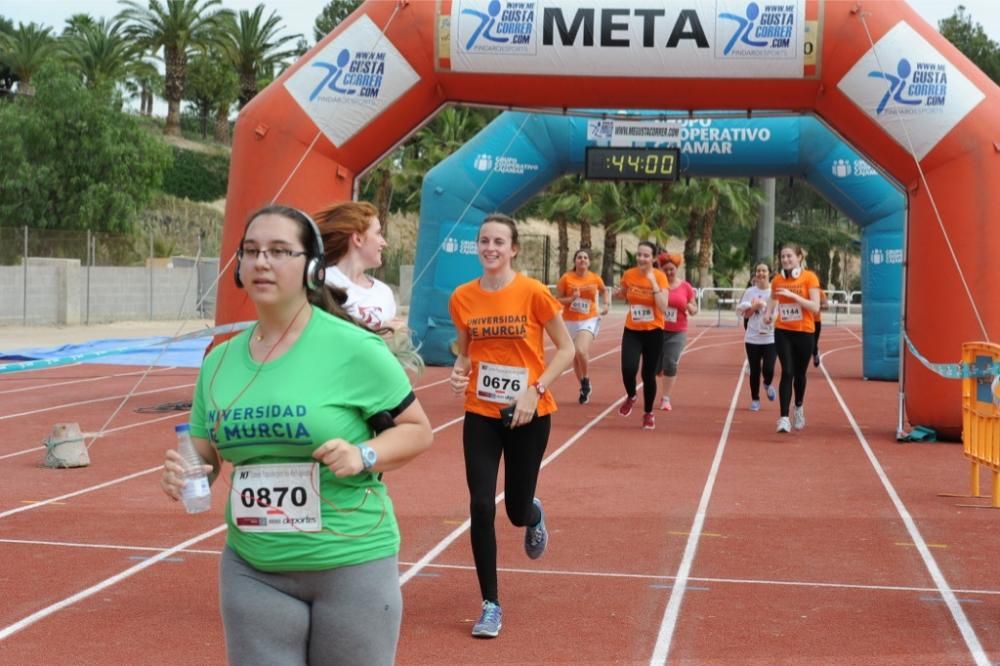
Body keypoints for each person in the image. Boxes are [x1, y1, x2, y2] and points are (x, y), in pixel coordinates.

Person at [160, 204, 433, 665]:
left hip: (350, 561)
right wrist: (188, 472)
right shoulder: (218, 362)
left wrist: (362, 454)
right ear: (239, 269)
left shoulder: (354, 348)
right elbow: (207, 457)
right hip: (254, 567)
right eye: (252, 252)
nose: (262, 262)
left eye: (280, 251)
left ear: (311, 267)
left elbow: (417, 431)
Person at [448, 212, 574, 638]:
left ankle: (533, 512)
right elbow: (465, 353)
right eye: (484, 241)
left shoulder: (533, 292)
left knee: (515, 511)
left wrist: (534, 390)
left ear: (513, 249)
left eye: (499, 242)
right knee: (481, 505)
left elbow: (567, 349)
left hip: (529, 413)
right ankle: (490, 604)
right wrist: (459, 370)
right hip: (481, 413)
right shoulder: (462, 298)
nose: (490, 248)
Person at [313, 200, 400, 331]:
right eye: (378, 233)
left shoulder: (384, 292)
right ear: (358, 239)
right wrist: (378, 331)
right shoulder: (325, 283)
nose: (384, 243)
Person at [764, 244, 821, 433]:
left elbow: (815, 307)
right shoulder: (778, 280)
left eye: (789, 256)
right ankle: (783, 418)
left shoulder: (809, 278)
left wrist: (793, 296)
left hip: (805, 332)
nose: (786, 260)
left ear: (799, 258)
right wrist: (768, 313)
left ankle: (798, 406)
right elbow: (773, 298)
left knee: (799, 373)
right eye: (782, 257)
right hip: (783, 330)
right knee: (787, 371)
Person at [615, 241, 669, 430]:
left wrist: (652, 281)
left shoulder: (661, 277)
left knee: (648, 375)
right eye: (639, 255)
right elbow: (623, 294)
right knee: (628, 368)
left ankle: (648, 413)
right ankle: (631, 395)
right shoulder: (629, 275)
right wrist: (619, 294)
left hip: (654, 332)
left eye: (646, 256)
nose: (641, 258)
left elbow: (663, 306)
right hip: (632, 330)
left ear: (653, 258)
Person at [555, 247, 611, 404]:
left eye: (585, 258)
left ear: (589, 262)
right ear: (575, 261)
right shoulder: (566, 278)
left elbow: (604, 290)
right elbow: (557, 299)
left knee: (581, 349)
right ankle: (584, 386)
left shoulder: (594, 278)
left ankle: (585, 379)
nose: (582, 260)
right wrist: (571, 299)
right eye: (579, 257)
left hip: (589, 318)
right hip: (569, 320)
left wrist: (606, 305)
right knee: (575, 357)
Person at [654, 252, 698, 412]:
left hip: (677, 331)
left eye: (672, 269)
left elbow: (694, 309)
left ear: (676, 269)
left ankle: (665, 399)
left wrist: (688, 306)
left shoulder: (685, 287)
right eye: (666, 269)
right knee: (654, 366)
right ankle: (659, 369)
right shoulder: (658, 284)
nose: (669, 272)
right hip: (656, 329)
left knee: (671, 362)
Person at [736, 262, 777, 411]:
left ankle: (767, 383)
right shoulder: (749, 292)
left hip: (771, 336)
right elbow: (744, 314)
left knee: (768, 368)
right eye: (758, 271)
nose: (761, 273)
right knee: (754, 370)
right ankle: (755, 399)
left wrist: (771, 317)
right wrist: (755, 307)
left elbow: (779, 314)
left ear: (769, 273)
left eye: (764, 271)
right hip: (752, 337)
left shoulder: (774, 291)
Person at [813, 288, 828, 367]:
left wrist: (817, 306)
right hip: (804, 321)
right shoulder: (802, 290)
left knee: (813, 342)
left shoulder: (820, 292)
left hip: (816, 321)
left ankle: (815, 354)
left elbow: (826, 306)